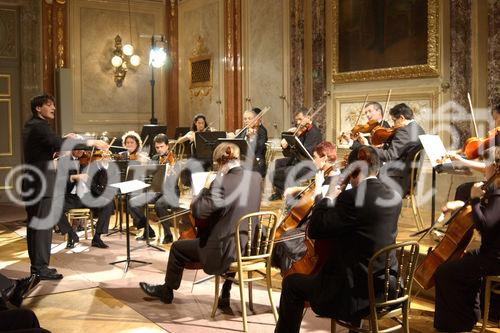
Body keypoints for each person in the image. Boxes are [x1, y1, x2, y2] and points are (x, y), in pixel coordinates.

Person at [274, 145, 402, 333]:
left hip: (356, 292)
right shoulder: (395, 196)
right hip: (386, 285)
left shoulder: (351, 197)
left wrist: (328, 197)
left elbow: (316, 229)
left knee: (291, 284)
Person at [138, 142, 262, 304]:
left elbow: (199, 212)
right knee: (230, 233)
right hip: (250, 244)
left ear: (221, 163)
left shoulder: (221, 183)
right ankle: (226, 290)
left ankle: (167, 290)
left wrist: (205, 188)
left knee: (177, 248)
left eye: (217, 164)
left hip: (225, 249)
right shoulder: (256, 178)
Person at [22, 94, 107, 280]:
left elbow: (47, 148)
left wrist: (61, 142)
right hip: (41, 183)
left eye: (53, 104)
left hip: (32, 182)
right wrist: (92, 142)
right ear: (38, 108)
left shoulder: (32, 125)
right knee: (42, 227)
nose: (53, 108)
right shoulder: (39, 126)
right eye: (49, 105)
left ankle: (37, 267)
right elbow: (60, 144)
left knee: (35, 227)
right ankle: (41, 268)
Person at [433, 145, 500, 332]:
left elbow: (486, 224)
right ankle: (470, 316)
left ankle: (454, 324)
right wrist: (463, 203)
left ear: (495, 166)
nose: (484, 168)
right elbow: (490, 213)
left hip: (495, 257)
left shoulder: (498, 192)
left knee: (444, 272)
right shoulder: (495, 188)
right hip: (491, 251)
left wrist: (476, 200)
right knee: (465, 263)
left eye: (487, 164)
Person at [272, 141, 338, 274]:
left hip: (317, 227)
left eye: (315, 157)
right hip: (313, 220)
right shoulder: (327, 174)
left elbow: (322, 205)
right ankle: (290, 273)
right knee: (282, 236)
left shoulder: (333, 181)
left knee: (284, 239)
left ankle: (293, 273)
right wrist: (297, 189)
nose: (313, 161)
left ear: (324, 158)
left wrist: (318, 186)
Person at [355, 103, 425, 197]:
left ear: (402, 118)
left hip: (395, 180)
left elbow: (389, 156)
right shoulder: (419, 129)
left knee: (363, 176)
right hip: (407, 178)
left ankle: (370, 208)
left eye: (394, 120)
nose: (393, 124)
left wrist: (368, 146)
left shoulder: (404, 131)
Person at [55, 147, 114, 249]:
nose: (80, 151)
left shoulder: (89, 162)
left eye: (82, 150)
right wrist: (74, 177)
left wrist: (103, 165)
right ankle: (70, 234)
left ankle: (97, 237)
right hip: (71, 197)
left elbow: (99, 181)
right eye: (77, 149)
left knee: (108, 203)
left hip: (87, 196)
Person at [129, 134, 180, 244]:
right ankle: (148, 231)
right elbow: (149, 176)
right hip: (157, 190)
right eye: (157, 147)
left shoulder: (174, 159)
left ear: (167, 146)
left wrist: (170, 170)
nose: (159, 150)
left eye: (162, 147)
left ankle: (168, 234)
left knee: (159, 205)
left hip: (170, 192)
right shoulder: (155, 159)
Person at [268, 109, 322, 201]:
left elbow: (306, 154)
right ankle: (281, 191)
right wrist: (286, 145)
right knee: (273, 165)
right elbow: (288, 155)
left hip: (308, 165)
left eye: (300, 119)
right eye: (296, 120)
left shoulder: (314, 133)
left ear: (308, 118)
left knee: (286, 172)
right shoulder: (301, 131)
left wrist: (295, 140)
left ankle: (292, 193)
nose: (298, 122)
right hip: (297, 160)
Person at [235, 109, 268, 177]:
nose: (246, 121)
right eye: (245, 119)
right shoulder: (243, 131)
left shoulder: (261, 131)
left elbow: (260, 148)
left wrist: (253, 138)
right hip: (242, 160)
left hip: (256, 162)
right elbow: (235, 143)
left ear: (255, 120)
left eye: (249, 118)